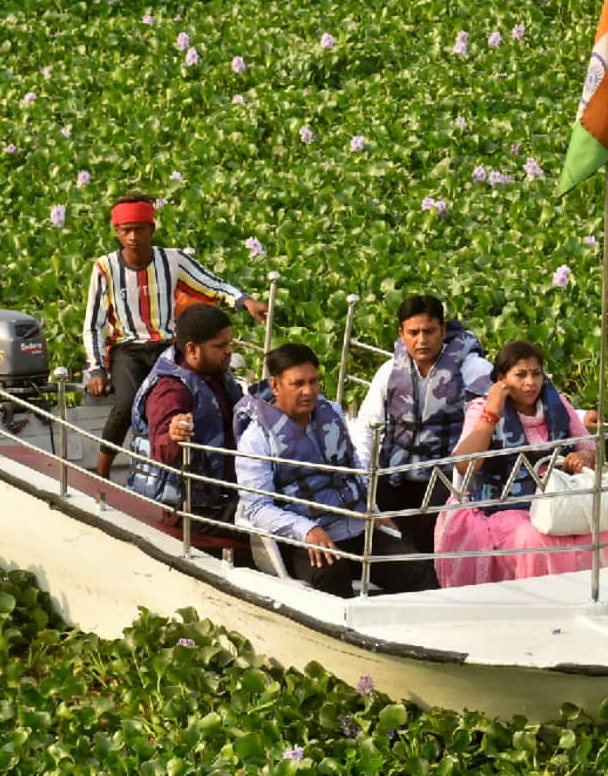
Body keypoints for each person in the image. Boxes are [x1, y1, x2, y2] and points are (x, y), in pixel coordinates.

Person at [82, 191, 269, 479]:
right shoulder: (104, 268)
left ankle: (225, 467)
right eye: (126, 230)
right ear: (116, 232)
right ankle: (102, 471)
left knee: (208, 391)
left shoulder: (172, 260)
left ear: (151, 229)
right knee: (125, 405)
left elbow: (211, 284)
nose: (133, 237)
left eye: (139, 229)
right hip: (127, 349)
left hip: (167, 346)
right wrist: (96, 368)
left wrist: (244, 300)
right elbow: (93, 324)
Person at [234, 343, 438, 598]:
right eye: (298, 384)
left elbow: (353, 468)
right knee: (331, 575)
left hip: (353, 525)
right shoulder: (256, 438)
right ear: (275, 386)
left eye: (314, 381)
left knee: (416, 567)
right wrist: (306, 530)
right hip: (303, 538)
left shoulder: (332, 413)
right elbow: (256, 507)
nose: (309, 391)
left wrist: (373, 510)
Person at [434, 340, 608, 587]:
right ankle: (539, 600)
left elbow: (589, 448)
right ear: (502, 378)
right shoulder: (481, 407)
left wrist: (583, 457)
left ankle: (597, 594)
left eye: (536, 374)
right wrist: (492, 412)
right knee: (533, 538)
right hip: (506, 508)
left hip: (559, 501)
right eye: (520, 375)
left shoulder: (558, 404)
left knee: (602, 533)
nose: (530, 383)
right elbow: (464, 466)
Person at [351, 295, 492, 553]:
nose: (422, 340)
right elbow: (365, 428)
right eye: (413, 332)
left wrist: (579, 414)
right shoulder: (389, 371)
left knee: (434, 526)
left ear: (444, 330)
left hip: (448, 476)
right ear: (401, 333)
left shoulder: (473, 367)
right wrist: (364, 483)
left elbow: (511, 398)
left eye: (429, 331)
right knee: (366, 508)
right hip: (397, 473)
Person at [126, 304, 243, 534]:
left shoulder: (214, 372)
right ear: (192, 349)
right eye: (221, 346)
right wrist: (174, 435)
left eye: (230, 343)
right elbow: (161, 452)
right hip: (188, 508)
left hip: (224, 493)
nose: (229, 351)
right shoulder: (171, 390)